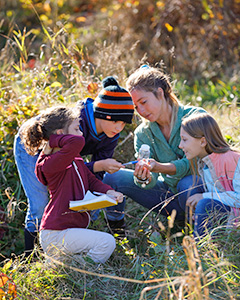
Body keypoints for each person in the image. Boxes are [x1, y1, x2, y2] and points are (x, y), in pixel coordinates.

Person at [13, 76, 134, 256]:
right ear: (101, 114)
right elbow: (75, 152)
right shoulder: (78, 122)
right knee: (39, 204)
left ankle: (69, 250)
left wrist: (95, 194)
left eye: (123, 123)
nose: (119, 128)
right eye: (115, 121)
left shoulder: (111, 134)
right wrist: (99, 164)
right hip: (35, 147)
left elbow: (84, 173)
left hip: (66, 156)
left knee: (82, 202)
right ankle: (31, 258)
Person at [20, 105, 124, 263]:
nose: (81, 133)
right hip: (56, 232)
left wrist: (108, 192)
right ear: (61, 134)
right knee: (106, 242)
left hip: (68, 231)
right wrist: (52, 140)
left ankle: (64, 266)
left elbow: (91, 180)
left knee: (72, 260)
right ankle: (82, 271)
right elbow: (77, 142)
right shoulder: (48, 163)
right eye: (77, 128)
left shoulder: (74, 159)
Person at [103, 65, 206, 222]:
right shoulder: (142, 133)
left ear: (160, 93)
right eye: (136, 107)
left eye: (144, 102)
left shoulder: (195, 117)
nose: (141, 111)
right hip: (168, 197)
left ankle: (202, 233)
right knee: (112, 178)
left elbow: (194, 163)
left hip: (199, 195)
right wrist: (144, 177)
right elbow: (149, 182)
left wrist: (160, 167)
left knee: (188, 183)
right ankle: (116, 230)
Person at [179, 112, 240, 238]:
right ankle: (203, 236)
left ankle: (200, 250)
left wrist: (203, 196)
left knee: (204, 204)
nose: (180, 145)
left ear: (203, 142)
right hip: (225, 214)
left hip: (235, 219)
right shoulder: (205, 162)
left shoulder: (232, 160)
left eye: (184, 140)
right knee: (188, 186)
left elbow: (239, 198)